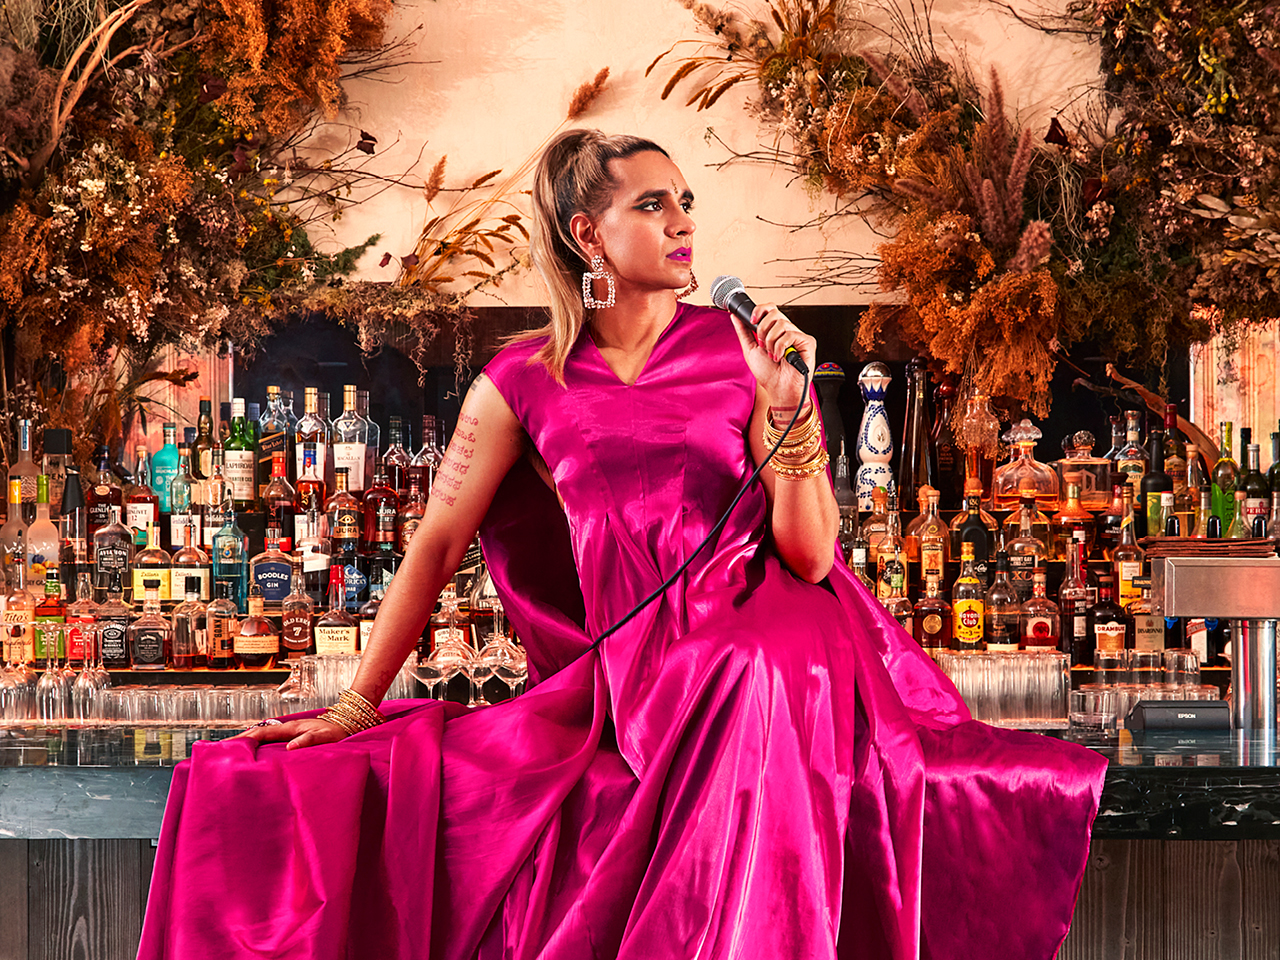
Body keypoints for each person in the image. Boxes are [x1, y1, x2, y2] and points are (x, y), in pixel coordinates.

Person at [139, 131, 1107, 960]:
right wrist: (356, 705)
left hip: (773, 640)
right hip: (629, 668)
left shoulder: (743, 352)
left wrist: (787, 407)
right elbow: (435, 544)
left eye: (686, 201)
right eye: (654, 204)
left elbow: (809, 557)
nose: (684, 221)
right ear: (586, 233)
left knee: (740, 663)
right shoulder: (520, 378)